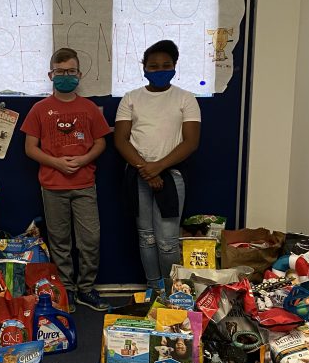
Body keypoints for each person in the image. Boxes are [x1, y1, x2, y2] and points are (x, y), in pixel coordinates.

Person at [22, 47, 111, 313]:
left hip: (85, 185)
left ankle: (86, 289)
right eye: (60, 72)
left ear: (79, 74)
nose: (65, 76)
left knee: (90, 239)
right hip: (53, 185)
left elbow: (100, 142)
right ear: (51, 74)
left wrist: (83, 160)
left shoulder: (89, 108)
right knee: (60, 242)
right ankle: (67, 291)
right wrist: (57, 163)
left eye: (70, 71)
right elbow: (30, 148)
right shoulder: (39, 109)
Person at [114, 39, 201, 291]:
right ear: (144, 67)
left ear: (175, 66)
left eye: (166, 65)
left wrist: (158, 167)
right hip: (137, 174)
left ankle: (174, 292)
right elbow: (121, 140)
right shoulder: (131, 98)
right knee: (147, 237)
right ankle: (154, 289)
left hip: (172, 176)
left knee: (167, 241)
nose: (159, 70)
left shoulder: (186, 98)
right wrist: (146, 169)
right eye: (153, 66)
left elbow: (191, 141)